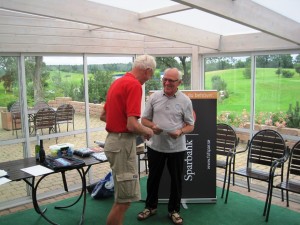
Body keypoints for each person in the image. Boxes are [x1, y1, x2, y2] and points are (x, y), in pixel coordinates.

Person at [100, 54, 156, 225]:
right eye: (151, 74)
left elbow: (104, 116)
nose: (150, 78)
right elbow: (132, 125)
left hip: (112, 142)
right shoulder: (134, 85)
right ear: (147, 71)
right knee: (123, 201)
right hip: (123, 144)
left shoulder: (117, 82)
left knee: (121, 196)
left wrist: (123, 124)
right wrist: (147, 130)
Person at [137, 68, 195, 225]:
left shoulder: (185, 101)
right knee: (153, 179)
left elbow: (191, 125)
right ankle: (150, 207)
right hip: (155, 147)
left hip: (176, 148)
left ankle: (174, 211)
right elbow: (144, 120)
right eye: (165, 79)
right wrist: (153, 126)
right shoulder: (154, 97)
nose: (167, 83)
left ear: (179, 83)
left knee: (176, 182)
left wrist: (181, 131)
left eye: (171, 80)